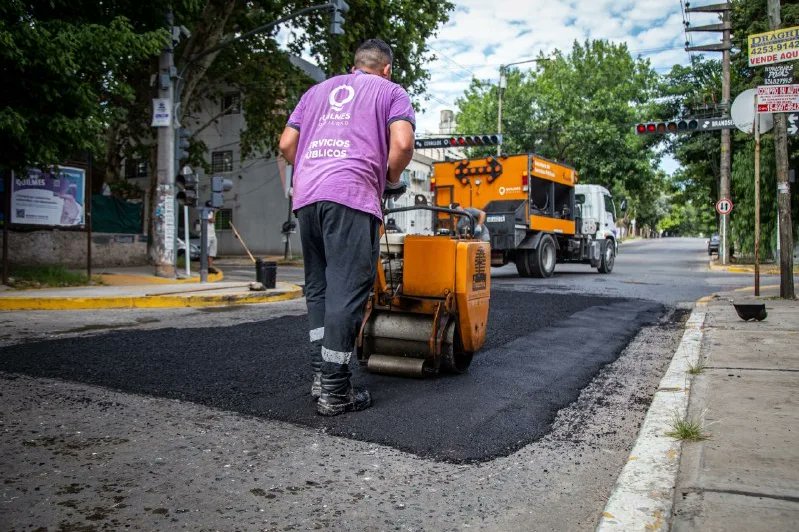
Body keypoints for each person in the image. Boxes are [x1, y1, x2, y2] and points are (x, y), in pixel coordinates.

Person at [278, 39, 415, 416]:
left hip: (307, 199)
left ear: (354, 64)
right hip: (351, 194)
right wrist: (387, 178)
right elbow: (402, 145)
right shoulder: (392, 92)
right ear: (386, 68)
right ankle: (336, 391)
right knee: (348, 291)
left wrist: (312, 170)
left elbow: (288, 143)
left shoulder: (316, 91)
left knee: (320, 290)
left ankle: (321, 377)